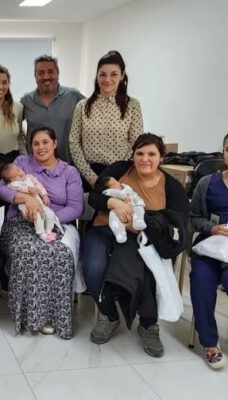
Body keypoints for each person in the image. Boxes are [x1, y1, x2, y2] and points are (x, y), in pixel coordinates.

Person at [83, 133, 189, 358]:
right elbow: (94, 197)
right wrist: (113, 202)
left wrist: (144, 224)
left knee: (148, 268)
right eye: (140, 153)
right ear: (133, 155)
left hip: (141, 237)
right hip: (103, 229)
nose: (145, 159)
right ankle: (109, 315)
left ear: (161, 157)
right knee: (93, 267)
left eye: (151, 154)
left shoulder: (172, 187)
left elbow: (179, 224)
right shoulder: (119, 169)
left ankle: (149, 325)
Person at [0, 127, 83, 338]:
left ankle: (53, 317)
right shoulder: (21, 163)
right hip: (19, 222)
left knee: (59, 253)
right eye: (36, 143)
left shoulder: (69, 172)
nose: (40, 147)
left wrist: (46, 217)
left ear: (55, 143)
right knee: (28, 250)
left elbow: (76, 207)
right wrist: (27, 199)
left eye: (45, 142)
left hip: (57, 223)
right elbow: (1, 189)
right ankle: (30, 315)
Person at [189, 128, 228, 370]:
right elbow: (193, 218)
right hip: (211, 246)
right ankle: (209, 342)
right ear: (222, 152)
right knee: (201, 278)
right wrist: (211, 228)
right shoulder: (207, 183)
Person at [69, 51, 143, 189]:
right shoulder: (82, 106)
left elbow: (136, 143)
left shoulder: (132, 105)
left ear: (122, 76)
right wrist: (90, 177)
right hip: (87, 176)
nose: (107, 79)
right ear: (97, 76)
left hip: (120, 175)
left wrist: (117, 174)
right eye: (102, 74)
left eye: (114, 74)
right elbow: (74, 142)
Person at [21, 55, 84, 164]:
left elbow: (92, 113)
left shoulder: (73, 96)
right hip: (36, 167)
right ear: (35, 76)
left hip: (69, 165)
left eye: (50, 72)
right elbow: (12, 126)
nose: (46, 77)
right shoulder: (26, 101)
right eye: (41, 73)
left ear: (58, 74)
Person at [0, 162, 57, 243]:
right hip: (27, 207)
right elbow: (19, 188)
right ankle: (41, 233)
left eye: (18, 170)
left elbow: (38, 186)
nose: (19, 174)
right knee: (37, 216)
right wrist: (28, 189)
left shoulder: (30, 177)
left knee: (50, 214)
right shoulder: (13, 184)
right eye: (15, 176)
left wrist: (44, 195)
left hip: (41, 204)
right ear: (10, 181)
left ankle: (49, 231)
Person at [95, 175, 147, 243]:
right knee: (113, 219)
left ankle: (138, 221)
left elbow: (135, 196)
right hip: (118, 214)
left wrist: (140, 203)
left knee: (139, 209)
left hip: (133, 209)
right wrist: (126, 190)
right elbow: (118, 194)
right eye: (115, 184)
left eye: (117, 182)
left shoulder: (127, 190)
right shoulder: (110, 193)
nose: (120, 184)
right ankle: (119, 234)